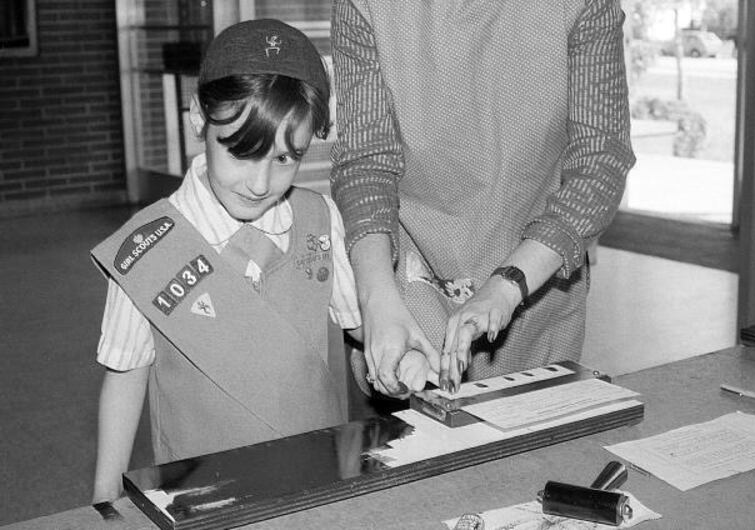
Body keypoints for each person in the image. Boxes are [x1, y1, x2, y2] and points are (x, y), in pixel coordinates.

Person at [90, 19, 384, 503]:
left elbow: (363, 324)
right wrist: (107, 496)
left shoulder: (318, 217)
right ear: (199, 118)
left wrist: (404, 343)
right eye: (242, 153)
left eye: (285, 159)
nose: (260, 184)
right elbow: (126, 374)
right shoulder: (146, 247)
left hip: (315, 475)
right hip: (202, 488)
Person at [329, 0, 636, 397]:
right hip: (408, 283)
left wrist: (509, 284)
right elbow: (365, 163)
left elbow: (599, 161)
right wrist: (376, 299)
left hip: (537, 273)